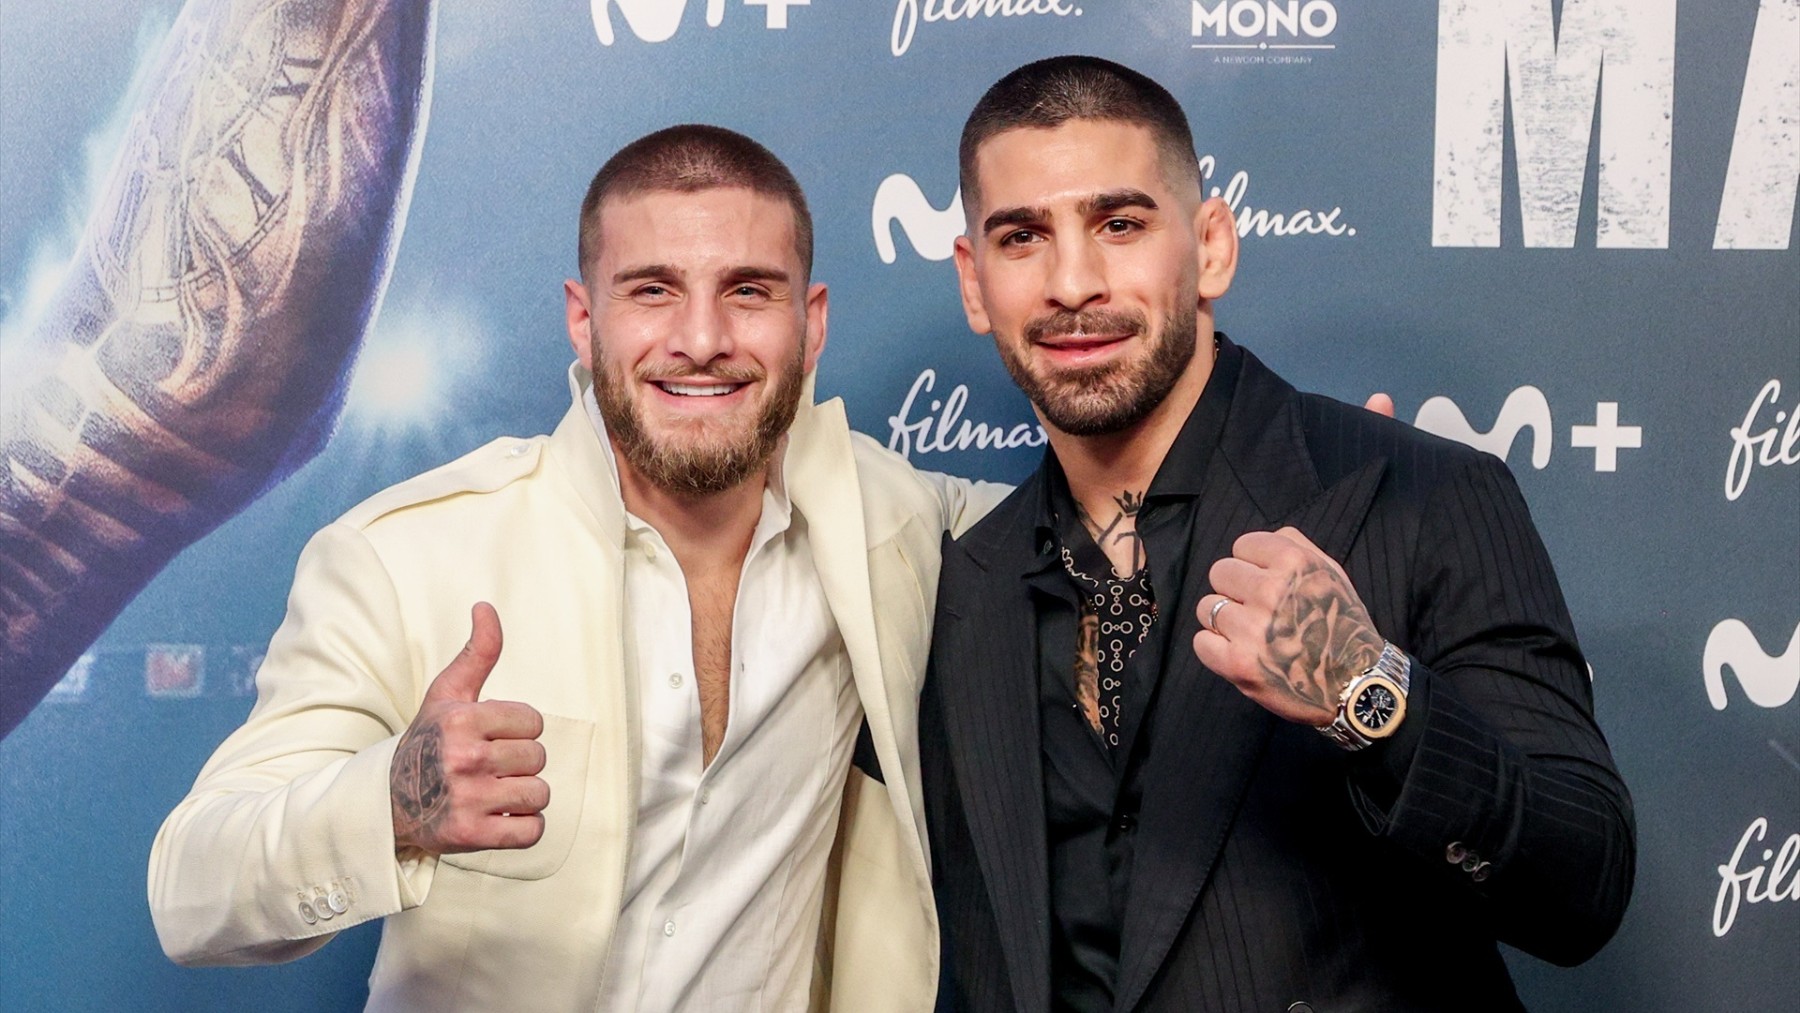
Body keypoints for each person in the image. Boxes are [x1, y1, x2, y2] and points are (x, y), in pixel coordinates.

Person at [148, 124, 1004, 1011]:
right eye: (652, 291)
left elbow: (1101, 512)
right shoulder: (406, 554)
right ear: (583, 319)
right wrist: (394, 804)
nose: (701, 337)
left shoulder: (885, 517)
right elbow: (190, 892)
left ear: (811, 323)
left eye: (748, 290)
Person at [920, 56, 1635, 1012]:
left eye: (1120, 224)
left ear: (1210, 246)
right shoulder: (967, 580)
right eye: (1021, 238)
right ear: (975, 283)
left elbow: (1583, 888)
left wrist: (1369, 692)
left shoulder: (1417, 495)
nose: (1072, 282)